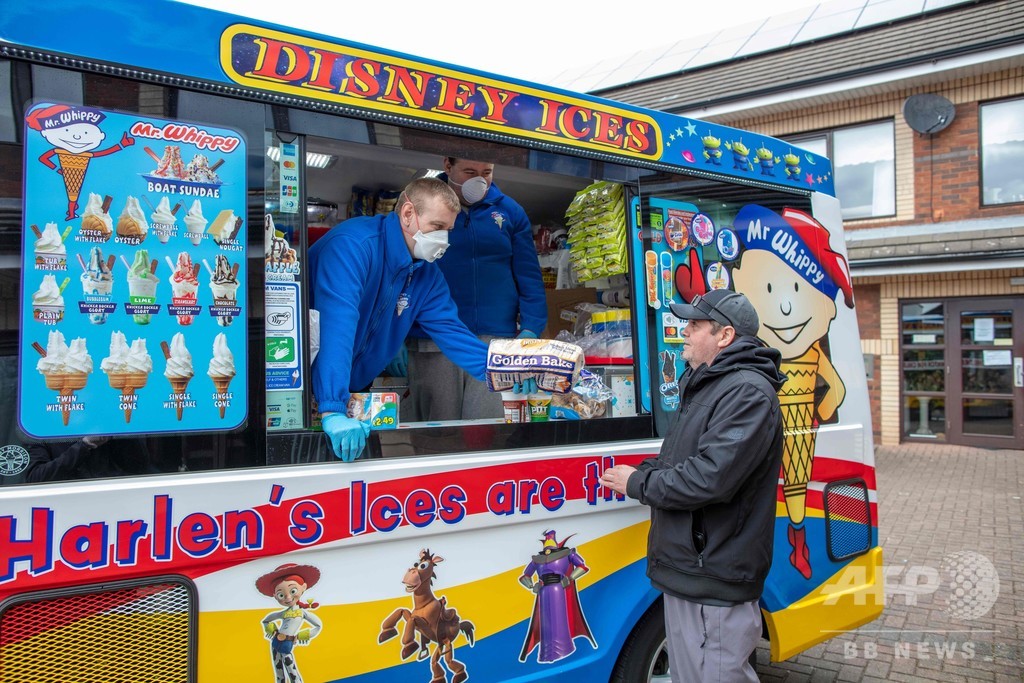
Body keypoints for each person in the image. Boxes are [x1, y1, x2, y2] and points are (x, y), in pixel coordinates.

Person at [599, 289, 786, 683]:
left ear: (725, 335)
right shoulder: (710, 384)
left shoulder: (747, 391)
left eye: (694, 325)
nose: (684, 332)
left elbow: (710, 477)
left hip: (714, 573)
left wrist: (639, 483)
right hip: (693, 570)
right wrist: (644, 471)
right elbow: (682, 460)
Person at [309, 177, 495, 462]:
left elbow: (453, 333)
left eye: (448, 230)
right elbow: (337, 325)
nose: (443, 240)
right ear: (408, 214)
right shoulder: (354, 246)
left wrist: (502, 372)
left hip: (354, 391)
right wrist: (332, 408)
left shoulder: (426, 275)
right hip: (309, 386)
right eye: (436, 227)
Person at [400, 157, 547, 421]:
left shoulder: (511, 212)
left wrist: (530, 330)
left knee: (487, 430)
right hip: (433, 340)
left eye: (486, 172)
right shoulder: (426, 206)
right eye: (469, 172)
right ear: (447, 166)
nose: (479, 180)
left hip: (496, 340)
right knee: (436, 431)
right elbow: (405, 268)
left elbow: (530, 278)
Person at [23, 435, 159, 483]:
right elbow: (36, 477)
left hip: (114, 504)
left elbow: (141, 466)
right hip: (65, 507)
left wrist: (121, 431)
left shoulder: (105, 420)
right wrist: (84, 446)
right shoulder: (39, 428)